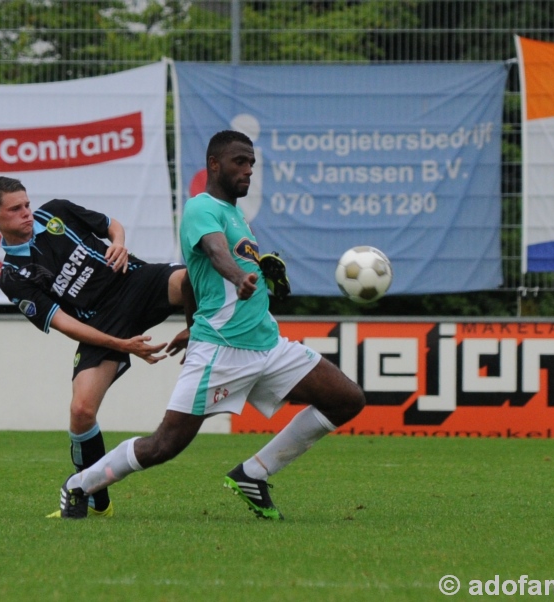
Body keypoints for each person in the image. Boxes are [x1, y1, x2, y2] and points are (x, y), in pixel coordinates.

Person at [57, 130, 366, 520]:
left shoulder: (237, 215)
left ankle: (254, 474)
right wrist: (239, 277)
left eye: (252, 163)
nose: (248, 170)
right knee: (163, 445)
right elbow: (216, 253)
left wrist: (195, 319)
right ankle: (79, 484)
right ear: (214, 164)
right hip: (221, 350)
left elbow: (190, 281)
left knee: (346, 399)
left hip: (267, 345)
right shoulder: (201, 208)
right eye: (240, 161)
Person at [0, 176, 190, 518]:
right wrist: (119, 344)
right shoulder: (14, 276)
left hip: (134, 280)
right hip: (101, 324)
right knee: (81, 411)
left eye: (27, 205)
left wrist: (119, 243)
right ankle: (96, 500)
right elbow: (65, 324)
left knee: (193, 279)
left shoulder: (56, 213)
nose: (27, 213)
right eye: (15, 209)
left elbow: (112, 226)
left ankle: (246, 271)